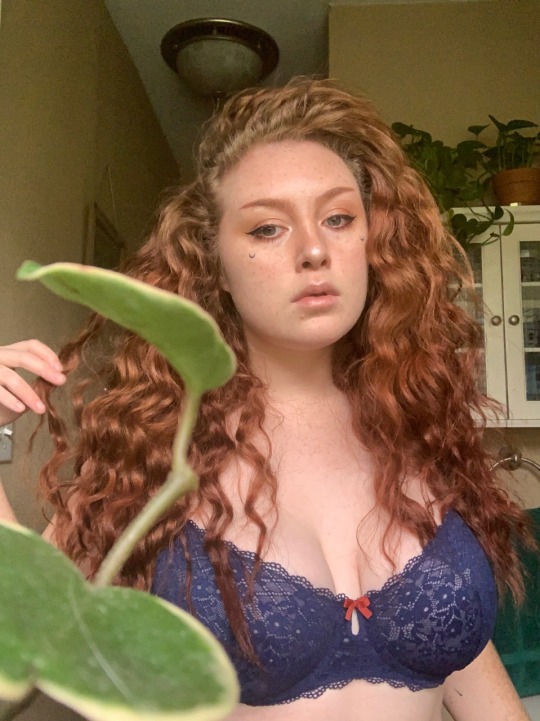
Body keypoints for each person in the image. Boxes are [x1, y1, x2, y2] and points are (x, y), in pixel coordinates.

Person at [0, 78, 533, 721]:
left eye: (339, 219)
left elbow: (457, 659)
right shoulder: (156, 448)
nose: (315, 251)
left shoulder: (420, 425)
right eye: (268, 228)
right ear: (215, 266)